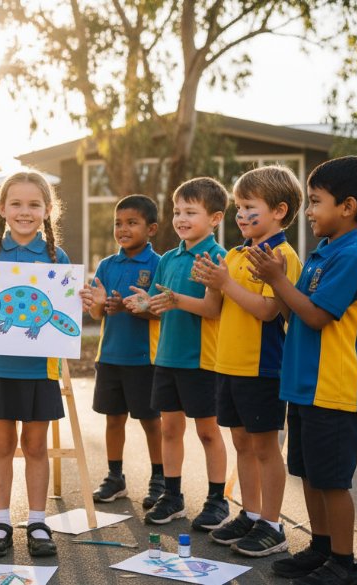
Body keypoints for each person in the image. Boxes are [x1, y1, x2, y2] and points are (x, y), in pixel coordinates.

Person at [248, 155, 357, 585]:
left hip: (334, 387)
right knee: (307, 472)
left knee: (333, 480)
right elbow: (293, 313)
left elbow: (319, 317)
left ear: (347, 207)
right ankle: (322, 547)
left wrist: (279, 280)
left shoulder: (352, 256)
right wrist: (276, 282)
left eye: (316, 201)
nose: (309, 211)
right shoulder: (322, 253)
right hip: (305, 386)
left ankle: (345, 564)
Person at [0, 171, 94, 558]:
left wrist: (79, 298)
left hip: (39, 371)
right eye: (16, 203)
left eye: (34, 204)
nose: (24, 211)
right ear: (2, 208)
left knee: (34, 446)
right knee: (1, 445)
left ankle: (36, 521)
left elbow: (65, 306)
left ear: (48, 210)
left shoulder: (56, 257)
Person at [193, 166, 303, 557]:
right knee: (241, 442)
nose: (240, 215)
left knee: (265, 447)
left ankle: (273, 525)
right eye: (238, 207)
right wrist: (214, 279)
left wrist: (225, 284)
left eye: (248, 206)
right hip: (230, 365)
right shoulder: (238, 253)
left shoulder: (281, 256)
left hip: (262, 367)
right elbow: (220, 306)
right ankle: (252, 513)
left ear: (278, 210)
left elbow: (268, 310)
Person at [123, 177, 230, 532]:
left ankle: (217, 500)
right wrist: (143, 303)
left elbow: (212, 310)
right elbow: (157, 304)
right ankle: (173, 496)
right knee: (170, 429)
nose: (181, 218)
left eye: (191, 212)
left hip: (201, 359)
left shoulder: (218, 258)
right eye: (177, 211)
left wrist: (174, 301)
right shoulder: (168, 258)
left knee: (208, 433)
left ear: (215, 218)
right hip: (166, 358)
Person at [86, 195, 165, 509]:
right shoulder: (106, 264)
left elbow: (159, 311)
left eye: (132, 223)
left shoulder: (159, 264)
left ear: (151, 229)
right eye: (118, 223)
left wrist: (131, 307)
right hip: (109, 357)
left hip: (144, 359)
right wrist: (98, 303)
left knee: (150, 421)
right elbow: (96, 312)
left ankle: (160, 478)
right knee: (113, 419)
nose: (123, 228)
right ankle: (115, 476)